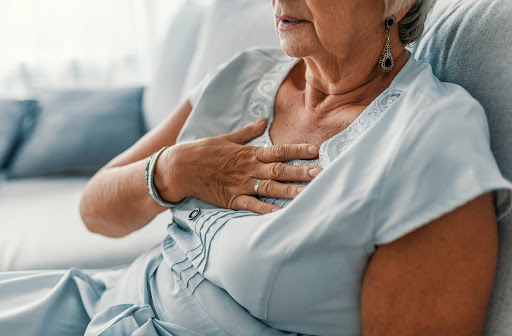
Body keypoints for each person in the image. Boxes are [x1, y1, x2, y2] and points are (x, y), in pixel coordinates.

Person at [1, 0, 512, 335]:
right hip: (98, 305)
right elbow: (96, 211)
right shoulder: (245, 73)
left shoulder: (429, 138)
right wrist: (174, 170)